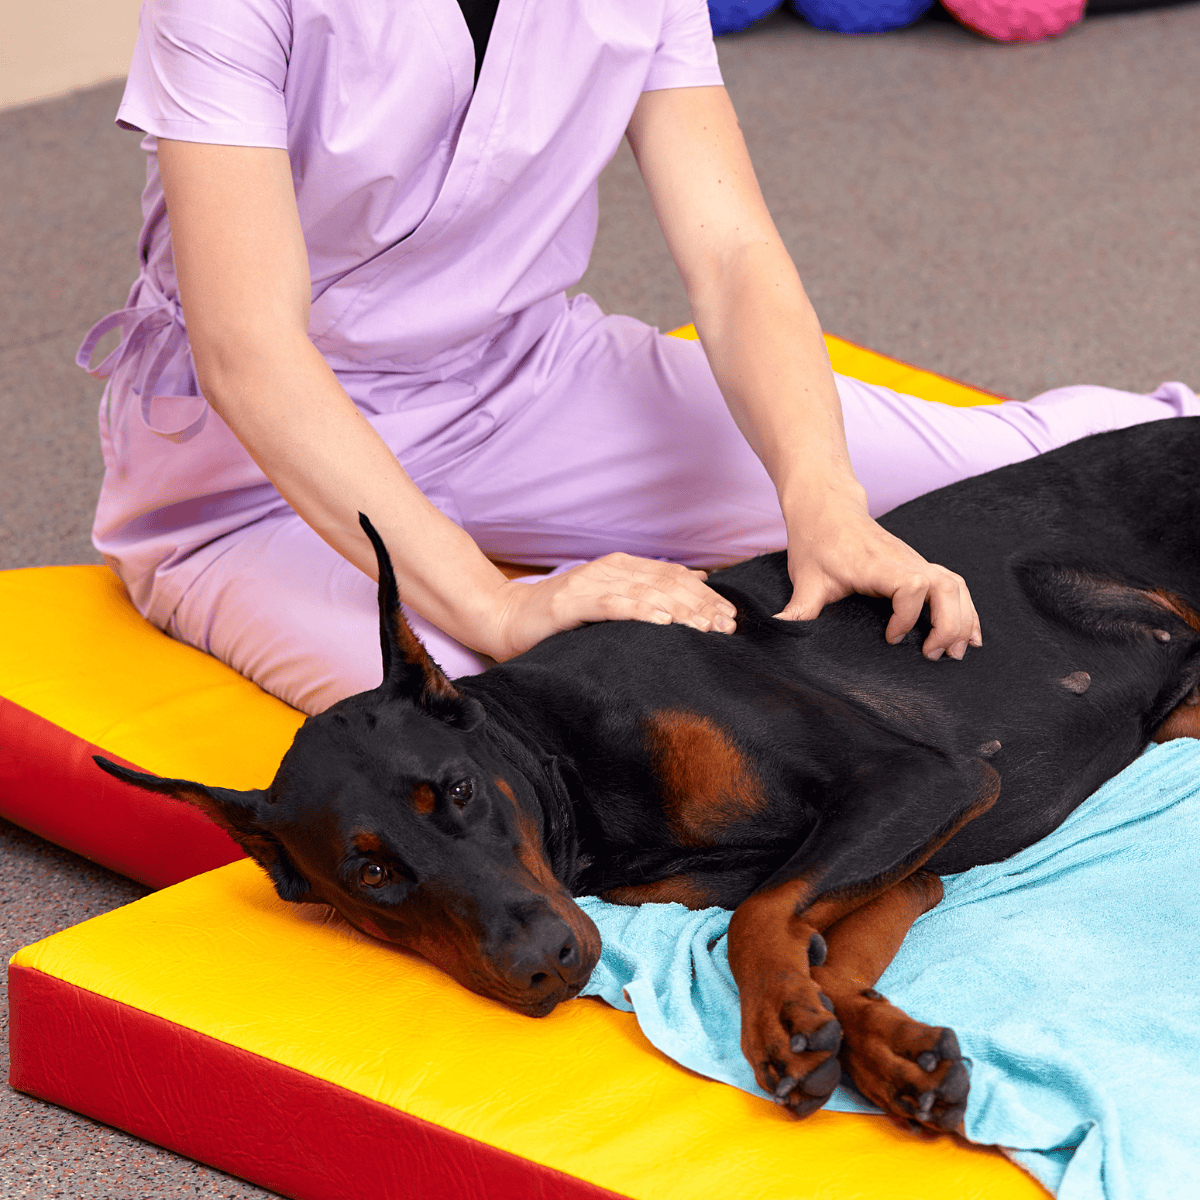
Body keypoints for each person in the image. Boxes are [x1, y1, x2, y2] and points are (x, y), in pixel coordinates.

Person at [80, 0, 1198, 717]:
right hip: (246, 477)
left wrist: (823, 501)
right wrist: (493, 606)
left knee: (1021, 462)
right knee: (521, 725)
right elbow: (248, 349)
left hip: (523, 382)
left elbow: (730, 253)